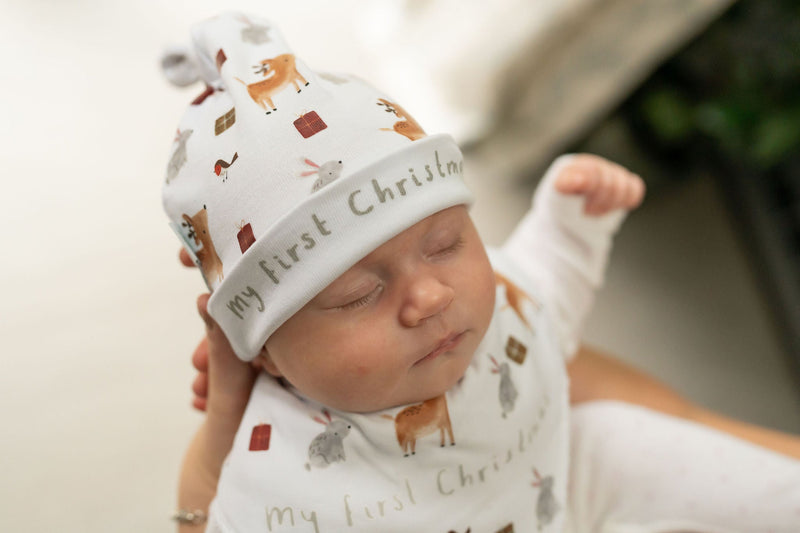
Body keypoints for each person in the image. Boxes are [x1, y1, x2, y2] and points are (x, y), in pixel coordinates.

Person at [162, 13, 800, 532]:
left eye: (444, 244)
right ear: (267, 353)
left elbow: (546, 276)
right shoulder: (274, 462)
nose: (430, 296)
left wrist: (572, 213)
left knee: (626, 443)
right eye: (357, 294)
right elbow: (207, 520)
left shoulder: (501, 311)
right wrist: (217, 448)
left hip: (569, 474)